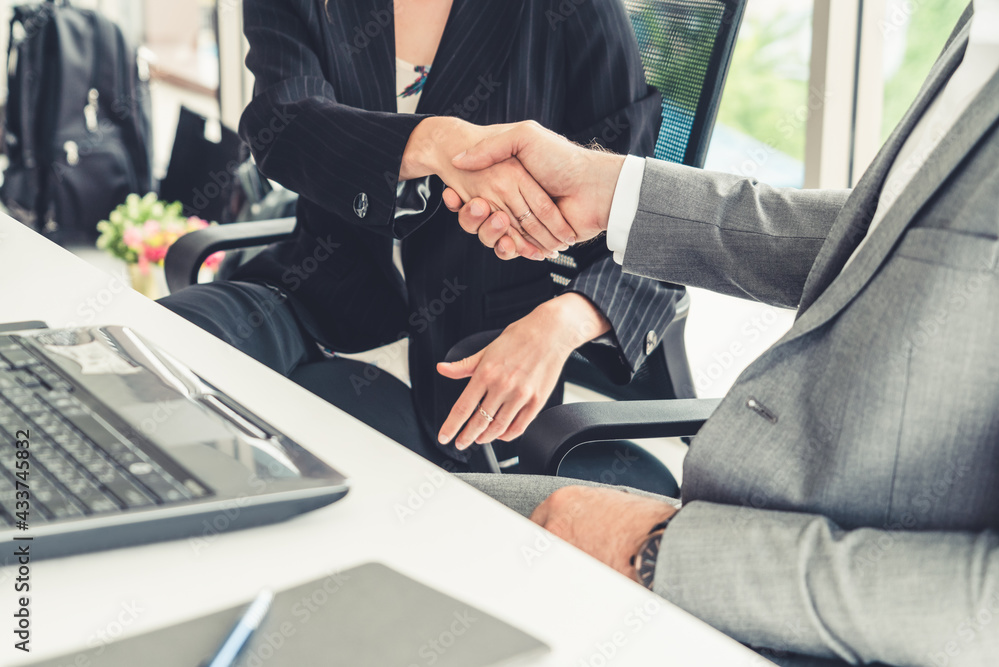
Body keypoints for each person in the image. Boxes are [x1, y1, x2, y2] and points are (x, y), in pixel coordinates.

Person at [447, 3, 999, 665]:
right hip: (734, 523)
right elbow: (879, 242)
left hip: (820, 614)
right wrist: (617, 191)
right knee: (396, 534)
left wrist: (656, 550)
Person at [160, 0, 686, 472]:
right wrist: (436, 140)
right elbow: (282, 125)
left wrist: (561, 323)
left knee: (285, 464)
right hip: (315, 297)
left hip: (473, 360)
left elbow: (652, 225)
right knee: (151, 360)